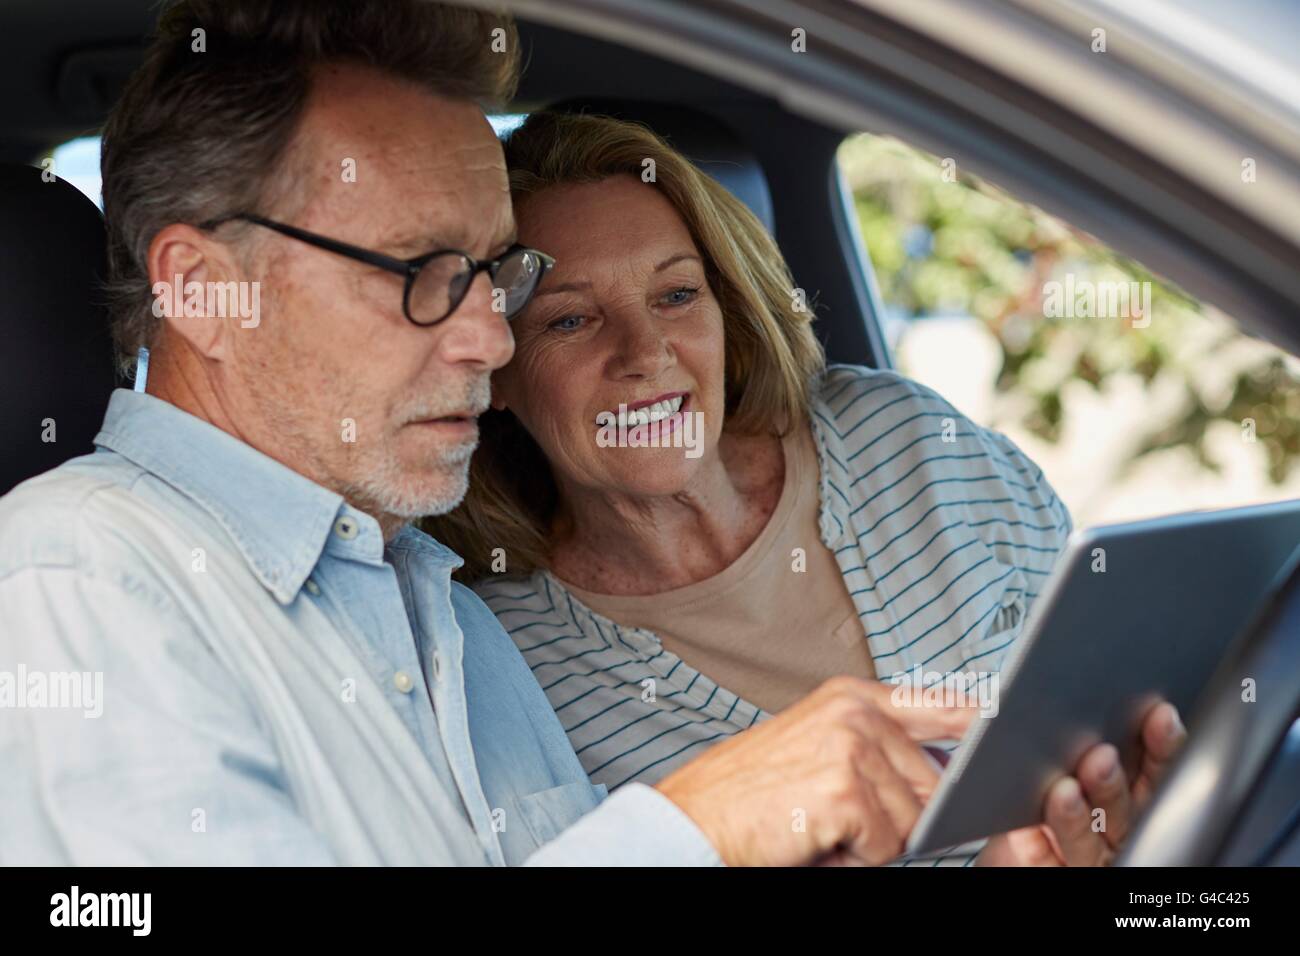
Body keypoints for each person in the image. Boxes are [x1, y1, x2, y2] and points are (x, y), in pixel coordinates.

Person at [0, 0, 989, 867]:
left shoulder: (447, 609)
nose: (487, 335)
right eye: (420, 270)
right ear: (204, 288)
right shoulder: (74, 584)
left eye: (493, 270)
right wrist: (693, 825)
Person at [425, 111, 1187, 866]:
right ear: (497, 367)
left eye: (677, 295)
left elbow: (1129, 684)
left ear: (728, 307)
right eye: (570, 321)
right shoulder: (500, 659)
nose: (646, 354)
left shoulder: (907, 441)